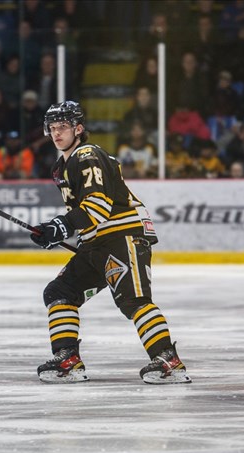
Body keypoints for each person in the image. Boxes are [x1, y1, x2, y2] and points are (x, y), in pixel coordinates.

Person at [29, 101, 191, 385]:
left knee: (133, 299)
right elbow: (83, 214)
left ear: (78, 129)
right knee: (59, 292)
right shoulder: (61, 166)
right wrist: (54, 231)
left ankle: (168, 361)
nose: (57, 133)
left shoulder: (87, 154)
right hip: (96, 242)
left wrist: (61, 226)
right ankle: (68, 359)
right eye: (52, 128)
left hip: (122, 236)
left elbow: (98, 205)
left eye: (63, 127)